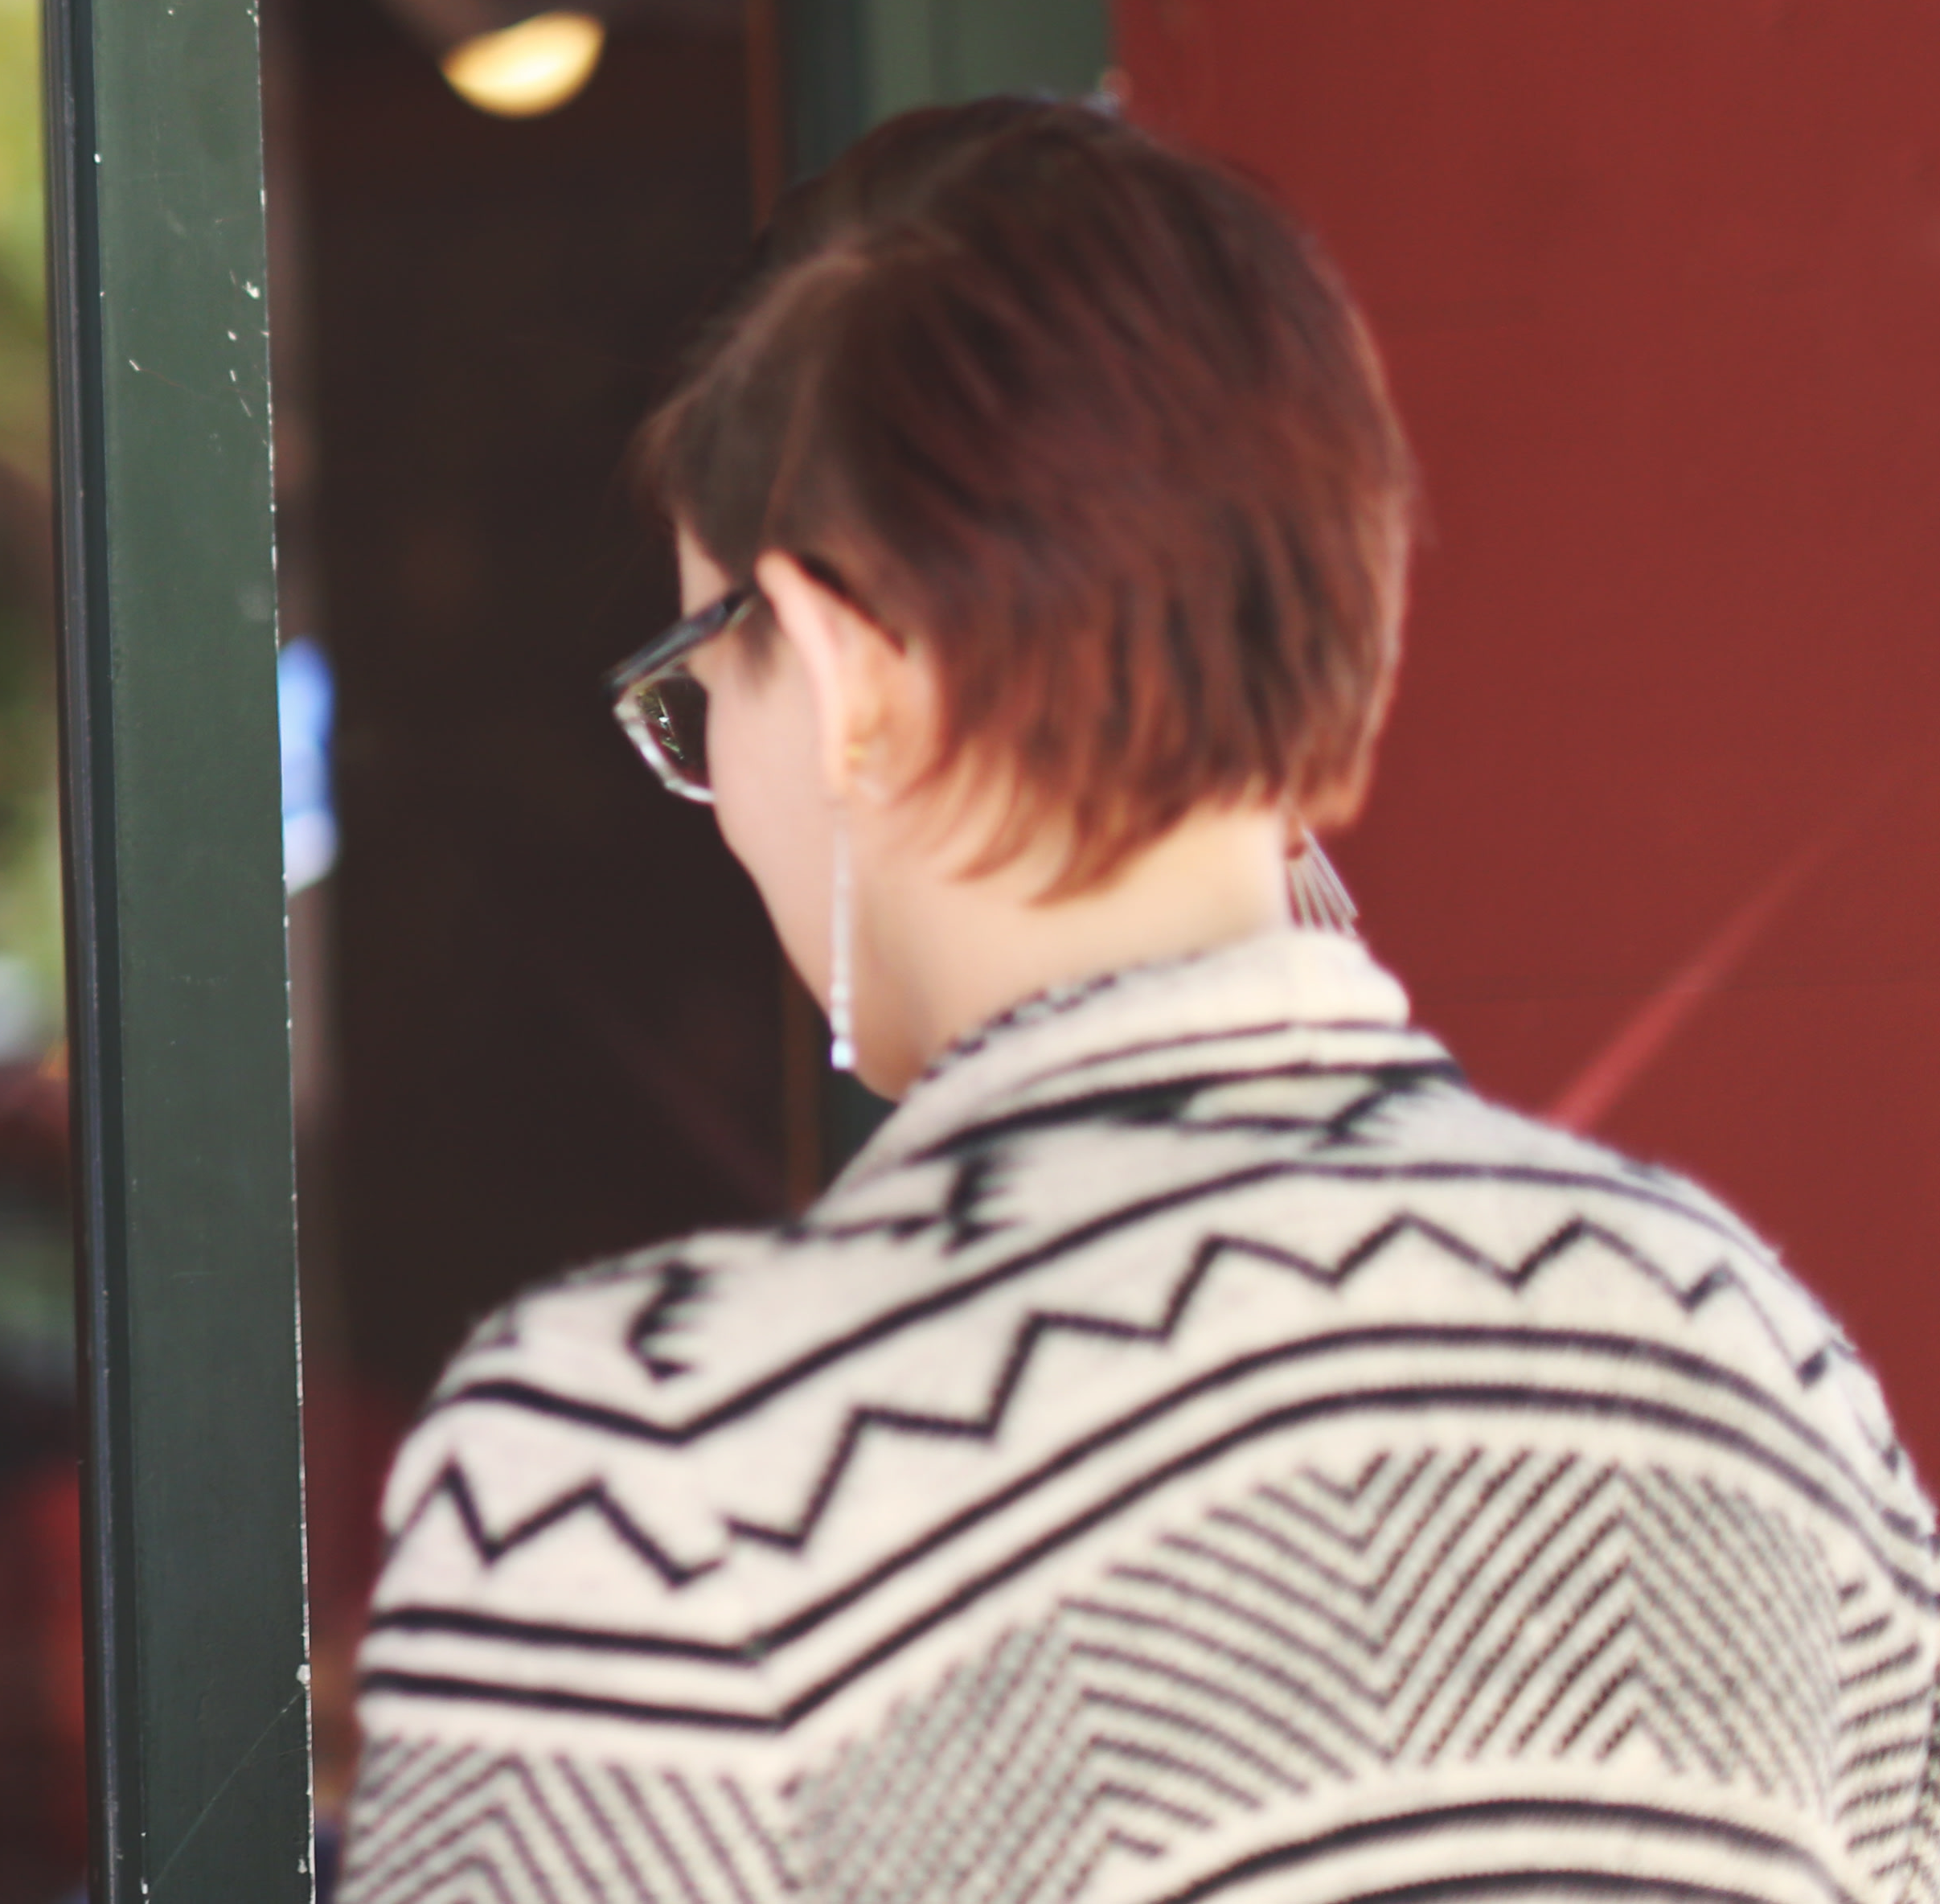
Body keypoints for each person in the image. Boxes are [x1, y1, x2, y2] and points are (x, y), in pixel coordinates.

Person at [343, 97, 1938, 1902]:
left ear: (848, 667)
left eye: (700, 678)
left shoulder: (647, 1466)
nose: (714, 774)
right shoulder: (1746, 1358)